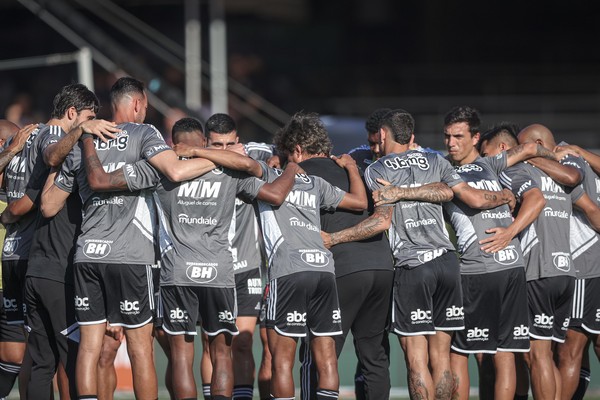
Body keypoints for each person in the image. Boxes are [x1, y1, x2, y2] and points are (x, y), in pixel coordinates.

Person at [40, 76, 218, 399]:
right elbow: (176, 171)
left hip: (87, 256)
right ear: (137, 105)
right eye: (146, 107)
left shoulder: (86, 139)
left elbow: (49, 205)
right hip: (131, 258)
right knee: (140, 349)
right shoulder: (144, 133)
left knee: (90, 349)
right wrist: (222, 161)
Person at [321, 109, 517, 400]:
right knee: (442, 357)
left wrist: (334, 237)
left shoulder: (378, 168)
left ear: (384, 134)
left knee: (416, 359)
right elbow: (451, 193)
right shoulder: (435, 159)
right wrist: (504, 195)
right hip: (448, 263)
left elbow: (381, 221)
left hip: (413, 265)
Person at [441, 107, 572, 400]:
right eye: (447, 136)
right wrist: (556, 156)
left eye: (458, 137)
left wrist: (509, 232)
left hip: (483, 268)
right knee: (505, 353)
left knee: (460, 353)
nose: (451, 143)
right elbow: (529, 148)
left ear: (476, 138)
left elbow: (530, 194)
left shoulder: (450, 170)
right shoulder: (495, 166)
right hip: (515, 267)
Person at [263, 111, 368, 400]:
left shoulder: (266, 177)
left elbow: (243, 160)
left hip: (288, 270)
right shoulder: (315, 184)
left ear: (292, 151)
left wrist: (276, 163)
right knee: (327, 359)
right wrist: (352, 169)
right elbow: (360, 203)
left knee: (281, 360)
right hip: (323, 269)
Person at [477, 124, 586, 400]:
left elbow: (533, 199)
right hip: (566, 273)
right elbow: (575, 179)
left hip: (537, 269)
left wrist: (509, 232)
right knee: (545, 357)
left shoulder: (518, 170)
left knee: (535, 357)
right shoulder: (561, 177)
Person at [293, 110, 394, 400]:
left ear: (297, 149)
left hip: (343, 269)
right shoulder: (358, 167)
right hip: (381, 266)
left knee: (320, 352)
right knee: (374, 357)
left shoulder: (300, 173)